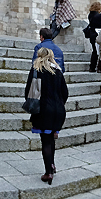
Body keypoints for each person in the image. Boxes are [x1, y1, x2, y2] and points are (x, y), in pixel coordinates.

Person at [26, 47, 69, 184]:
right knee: (51, 139)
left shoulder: (36, 70)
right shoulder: (57, 71)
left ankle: (48, 172)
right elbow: (65, 92)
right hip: (58, 110)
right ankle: (52, 164)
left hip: (43, 110)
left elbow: (30, 91)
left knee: (45, 141)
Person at [84, 2, 101, 73]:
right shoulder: (99, 16)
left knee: (94, 51)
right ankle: (99, 68)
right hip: (98, 35)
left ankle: (92, 67)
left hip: (92, 35)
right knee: (100, 52)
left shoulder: (90, 15)